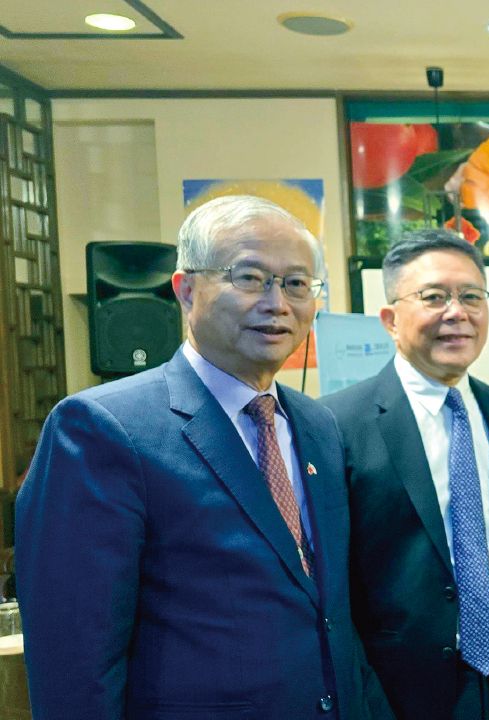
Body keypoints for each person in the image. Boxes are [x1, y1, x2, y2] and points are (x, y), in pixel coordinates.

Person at [16, 195, 389, 718]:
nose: (277, 303)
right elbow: (74, 658)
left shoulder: (319, 425)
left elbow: (331, 613)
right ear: (186, 289)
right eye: (250, 278)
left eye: (297, 283)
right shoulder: (102, 429)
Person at [322, 230, 489, 719]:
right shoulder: (338, 423)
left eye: (471, 296)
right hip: (405, 689)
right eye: (434, 297)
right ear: (390, 320)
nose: (457, 312)